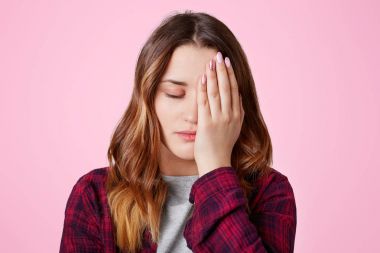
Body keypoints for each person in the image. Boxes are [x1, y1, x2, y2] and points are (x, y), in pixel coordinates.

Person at [60, 10, 297, 253]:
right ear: (148, 98)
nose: (193, 115)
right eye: (174, 94)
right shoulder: (94, 196)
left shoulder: (270, 192)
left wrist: (215, 167)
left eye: (211, 96)